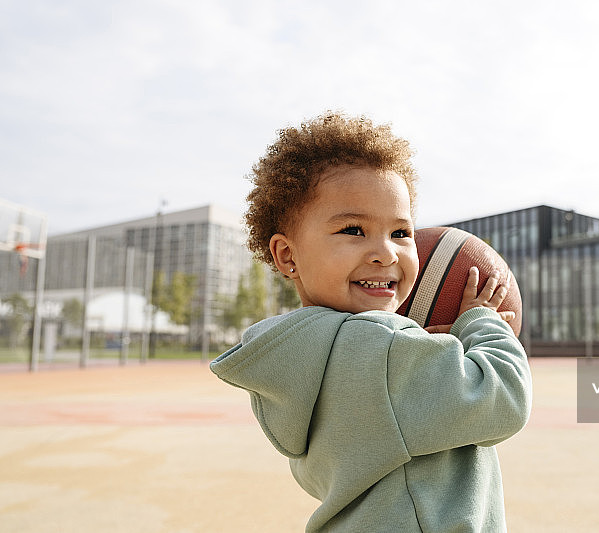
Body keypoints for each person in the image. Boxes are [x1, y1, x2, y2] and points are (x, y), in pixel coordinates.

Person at [210, 112, 532, 532]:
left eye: (401, 232)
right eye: (353, 229)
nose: (386, 253)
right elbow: (504, 398)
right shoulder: (376, 351)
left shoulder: (305, 359)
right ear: (287, 255)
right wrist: (482, 321)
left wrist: (418, 344)